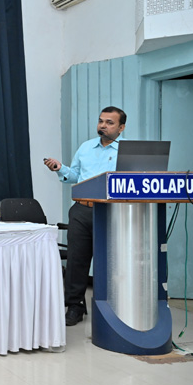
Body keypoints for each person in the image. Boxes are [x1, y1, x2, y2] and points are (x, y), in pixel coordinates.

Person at [44, 106, 126, 326]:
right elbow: (76, 176)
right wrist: (60, 168)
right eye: (101, 121)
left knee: (112, 260)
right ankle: (75, 306)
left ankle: (114, 306)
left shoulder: (127, 151)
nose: (103, 125)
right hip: (82, 210)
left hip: (112, 211)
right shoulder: (86, 147)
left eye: (109, 122)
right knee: (77, 259)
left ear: (121, 128)